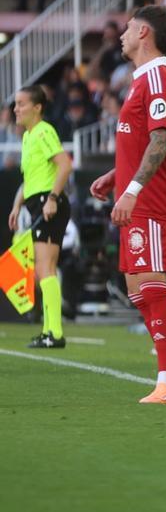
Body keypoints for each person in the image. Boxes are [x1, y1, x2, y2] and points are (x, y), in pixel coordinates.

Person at [88, 5, 166, 404]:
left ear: (145, 33)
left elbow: (161, 141)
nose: (122, 35)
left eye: (129, 28)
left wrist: (132, 189)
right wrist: (116, 177)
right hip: (138, 195)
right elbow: (140, 142)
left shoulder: (158, 79)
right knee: (137, 288)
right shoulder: (142, 80)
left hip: (150, 200)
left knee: (151, 285)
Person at [8, 85, 72, 349]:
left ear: (37, 107)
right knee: (44, 270)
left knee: (45, 269)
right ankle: (49, 330)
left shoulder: (44, 131)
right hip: (39, 204)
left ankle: (54, 333)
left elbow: (65, 164)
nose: (16, 109)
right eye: (15, 104)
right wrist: (16, 206)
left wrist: (53, 199)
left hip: (49, 204)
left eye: (21, 104)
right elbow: (29, 180)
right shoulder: (28, 136)